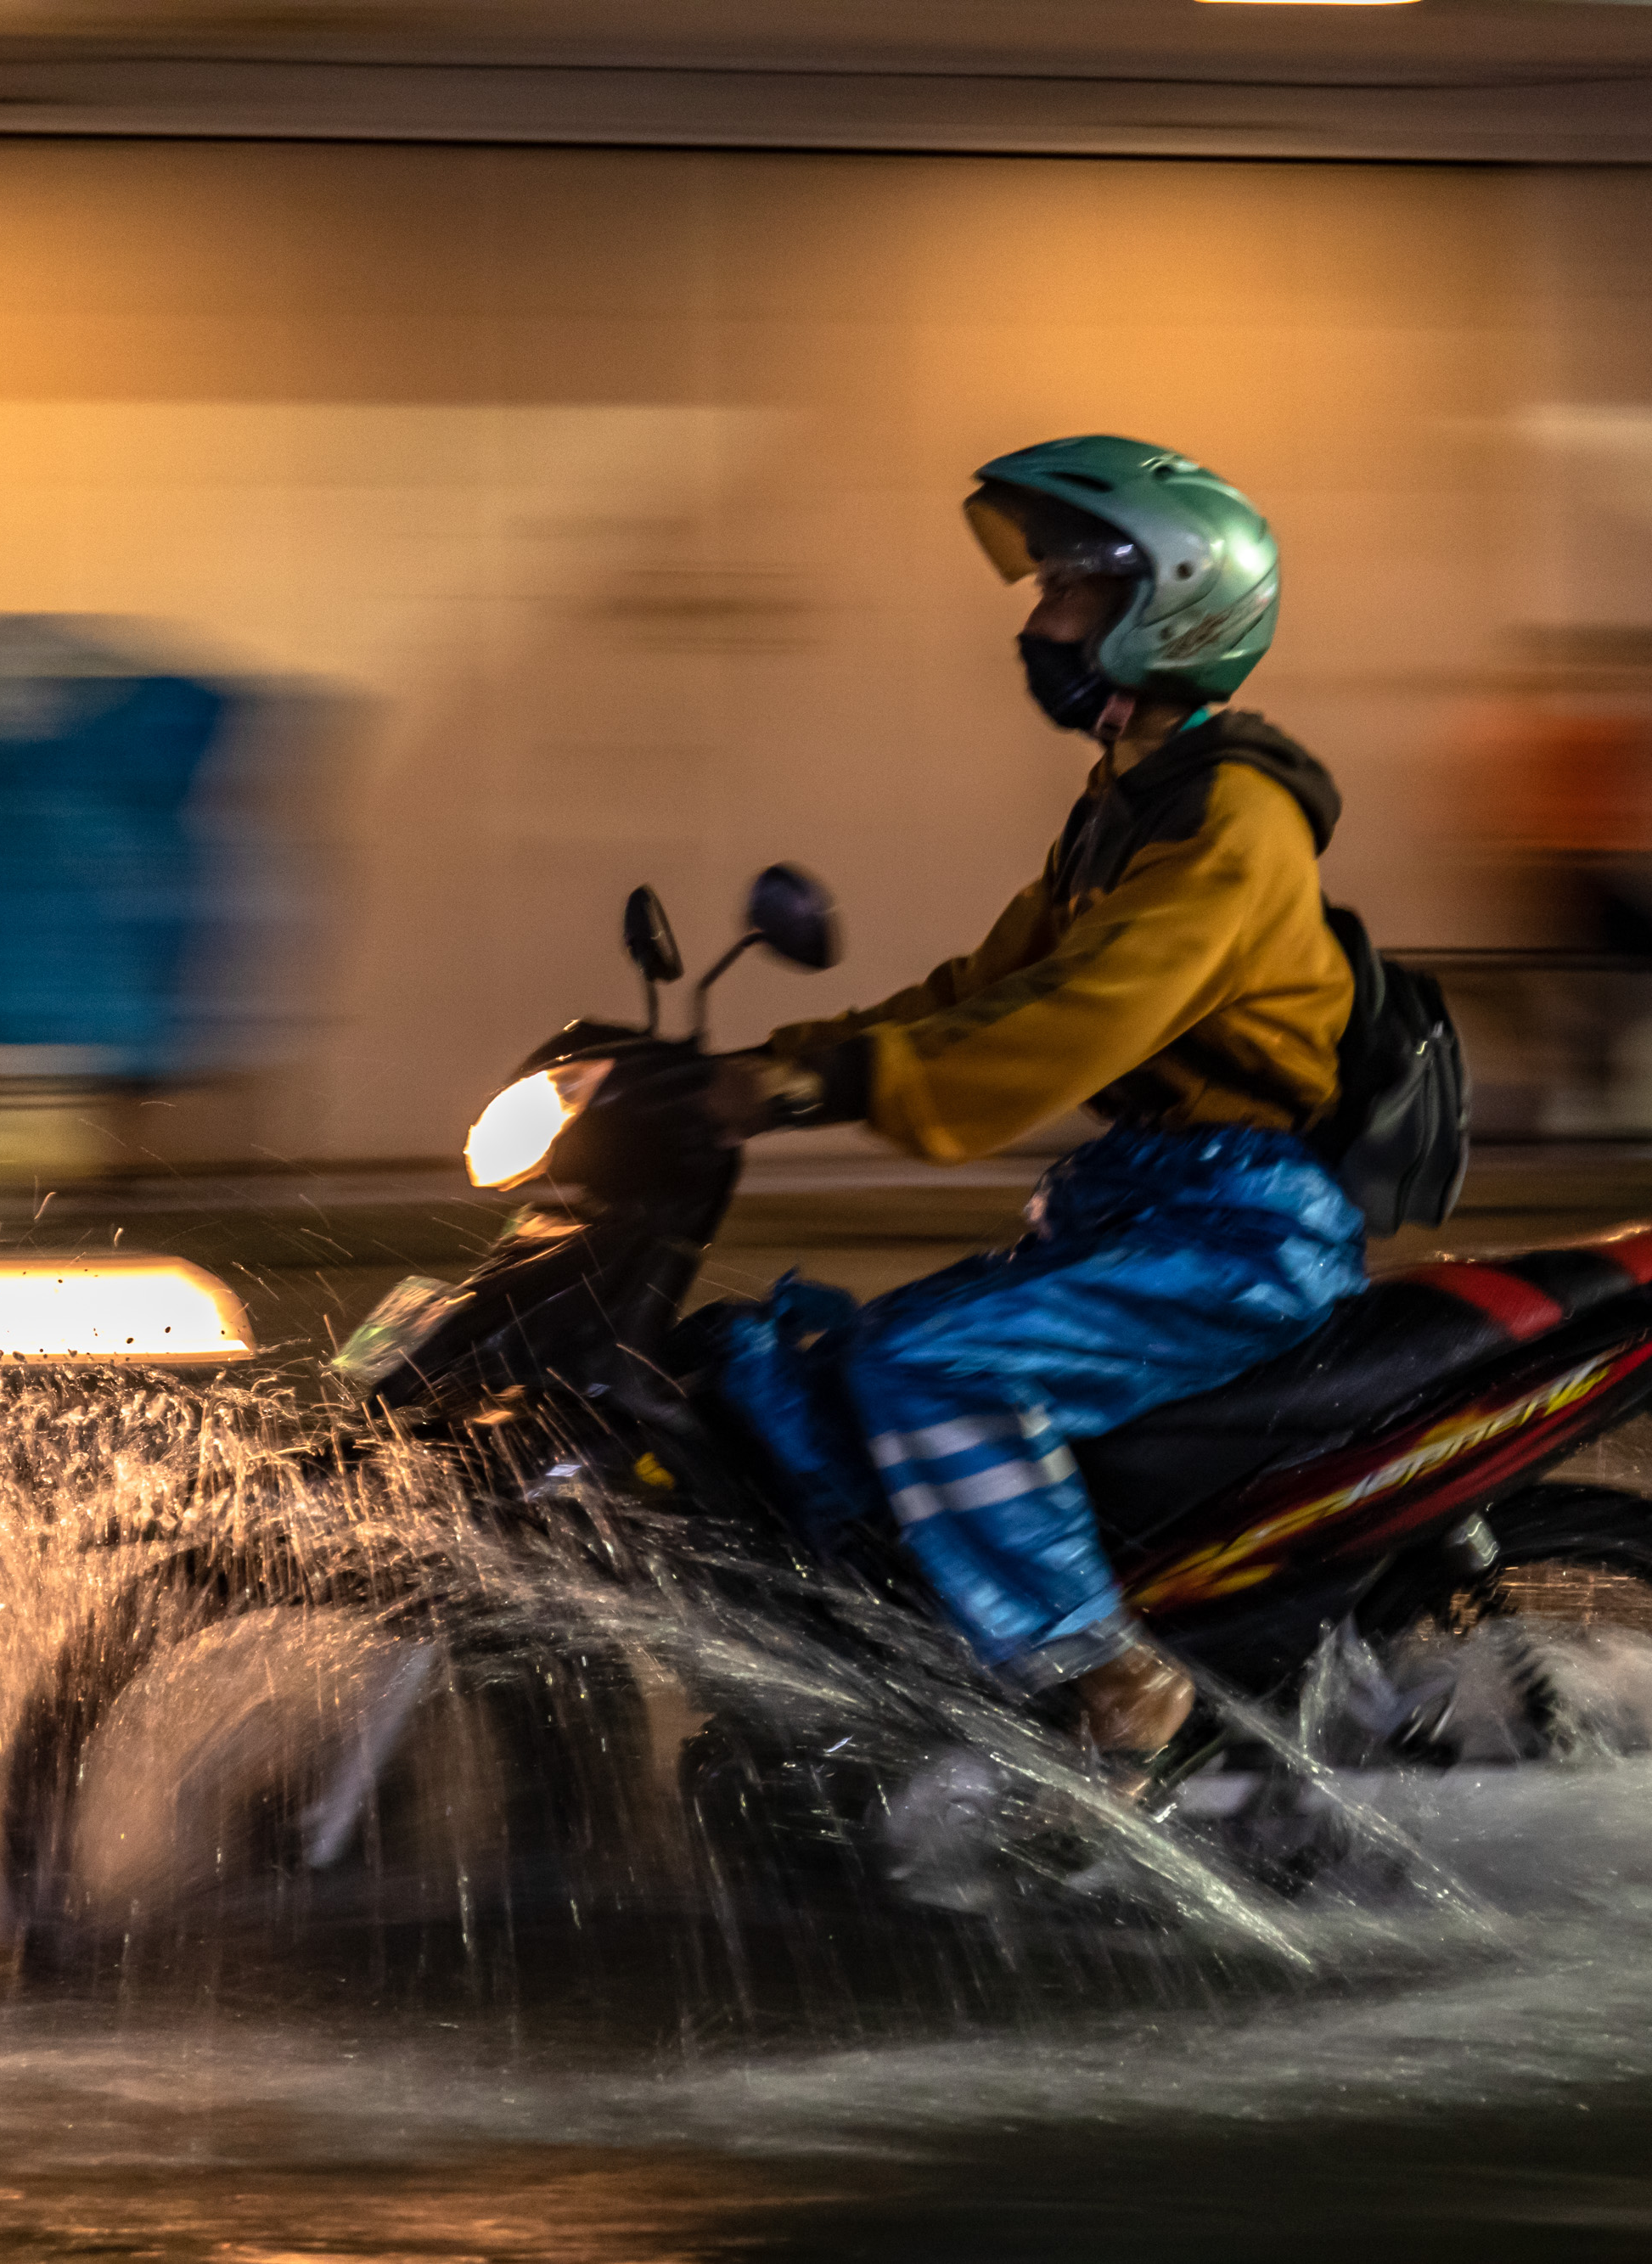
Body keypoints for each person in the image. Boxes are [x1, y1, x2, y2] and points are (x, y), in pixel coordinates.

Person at [704, 436, 1368, 1784]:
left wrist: (831, 1085)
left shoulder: (1234, 818)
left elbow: (1083, 1015)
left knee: (931, 1371)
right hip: (1143, 1201)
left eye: (1071, 587)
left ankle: (1109, 1674)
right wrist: (767, 1065)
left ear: (1167, 609)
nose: (1040, 617)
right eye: (1047, 585)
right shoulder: (1127, 804)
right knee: (802, 1362)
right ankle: (904, 1685)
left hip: (1239, 1227)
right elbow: (984, 987)